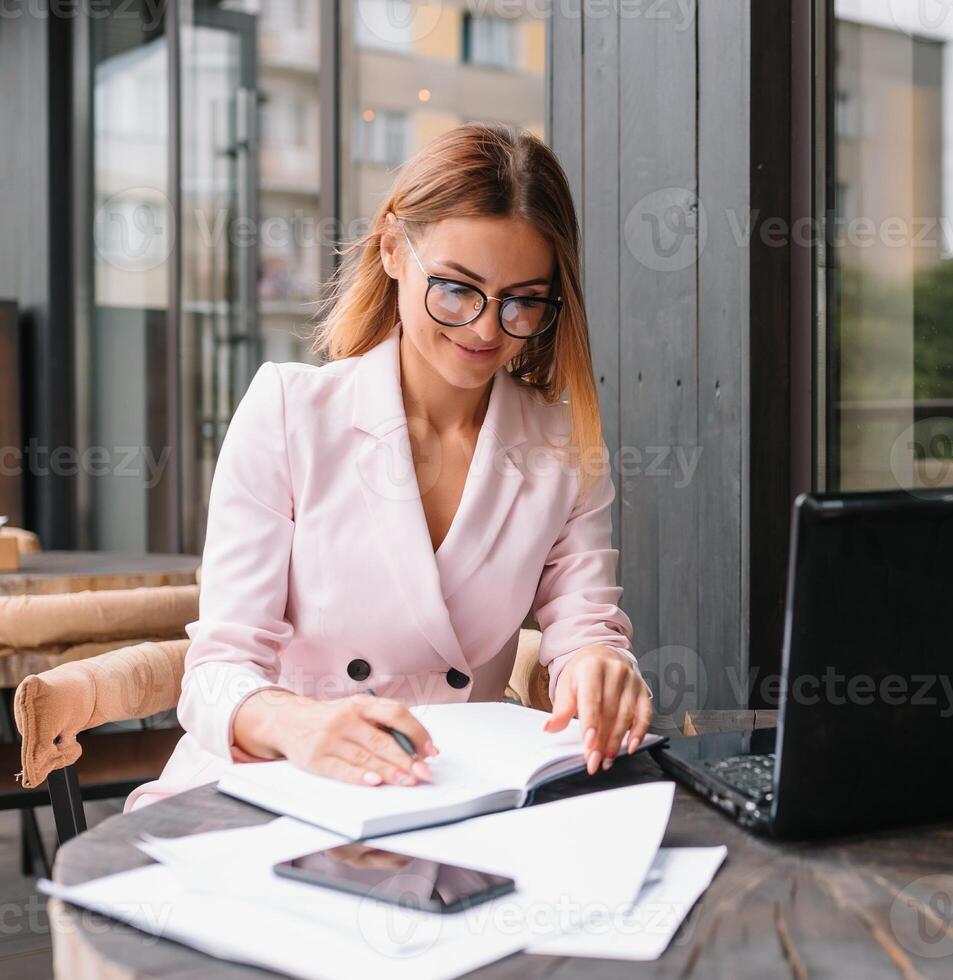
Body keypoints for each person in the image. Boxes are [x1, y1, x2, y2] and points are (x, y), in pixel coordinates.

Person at [127, 124, 649, 810]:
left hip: (454, 794)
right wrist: (300, 723)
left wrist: (599, 666)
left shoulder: (562, 442)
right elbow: (219, 669)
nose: (488, 330)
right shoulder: (289, 412)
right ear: (393, 249)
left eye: (523, 301)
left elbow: (586, 625)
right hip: (271, 788)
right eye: (458, 289)